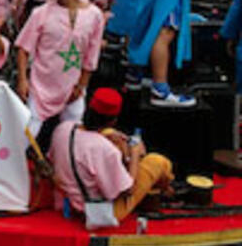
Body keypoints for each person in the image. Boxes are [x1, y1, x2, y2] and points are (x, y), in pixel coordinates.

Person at [48, 88, 174, 223]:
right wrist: (135, 154)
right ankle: (164, 192)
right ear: (113, 120)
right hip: (98, 212)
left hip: (67, 198)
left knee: (113, 139)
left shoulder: (63, 128)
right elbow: (127, 190)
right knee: (157, 162)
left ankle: (158, 192)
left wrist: (106, 136)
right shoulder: (105, 150)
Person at [15, 0, 106, 141]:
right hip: (41, 85)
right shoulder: (40, 13)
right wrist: (23, 80)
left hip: (73, 84)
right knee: (29, 133)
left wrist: (81, 85)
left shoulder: (94, 15)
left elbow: (91, 55)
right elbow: (23, 48)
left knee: (73, 135)